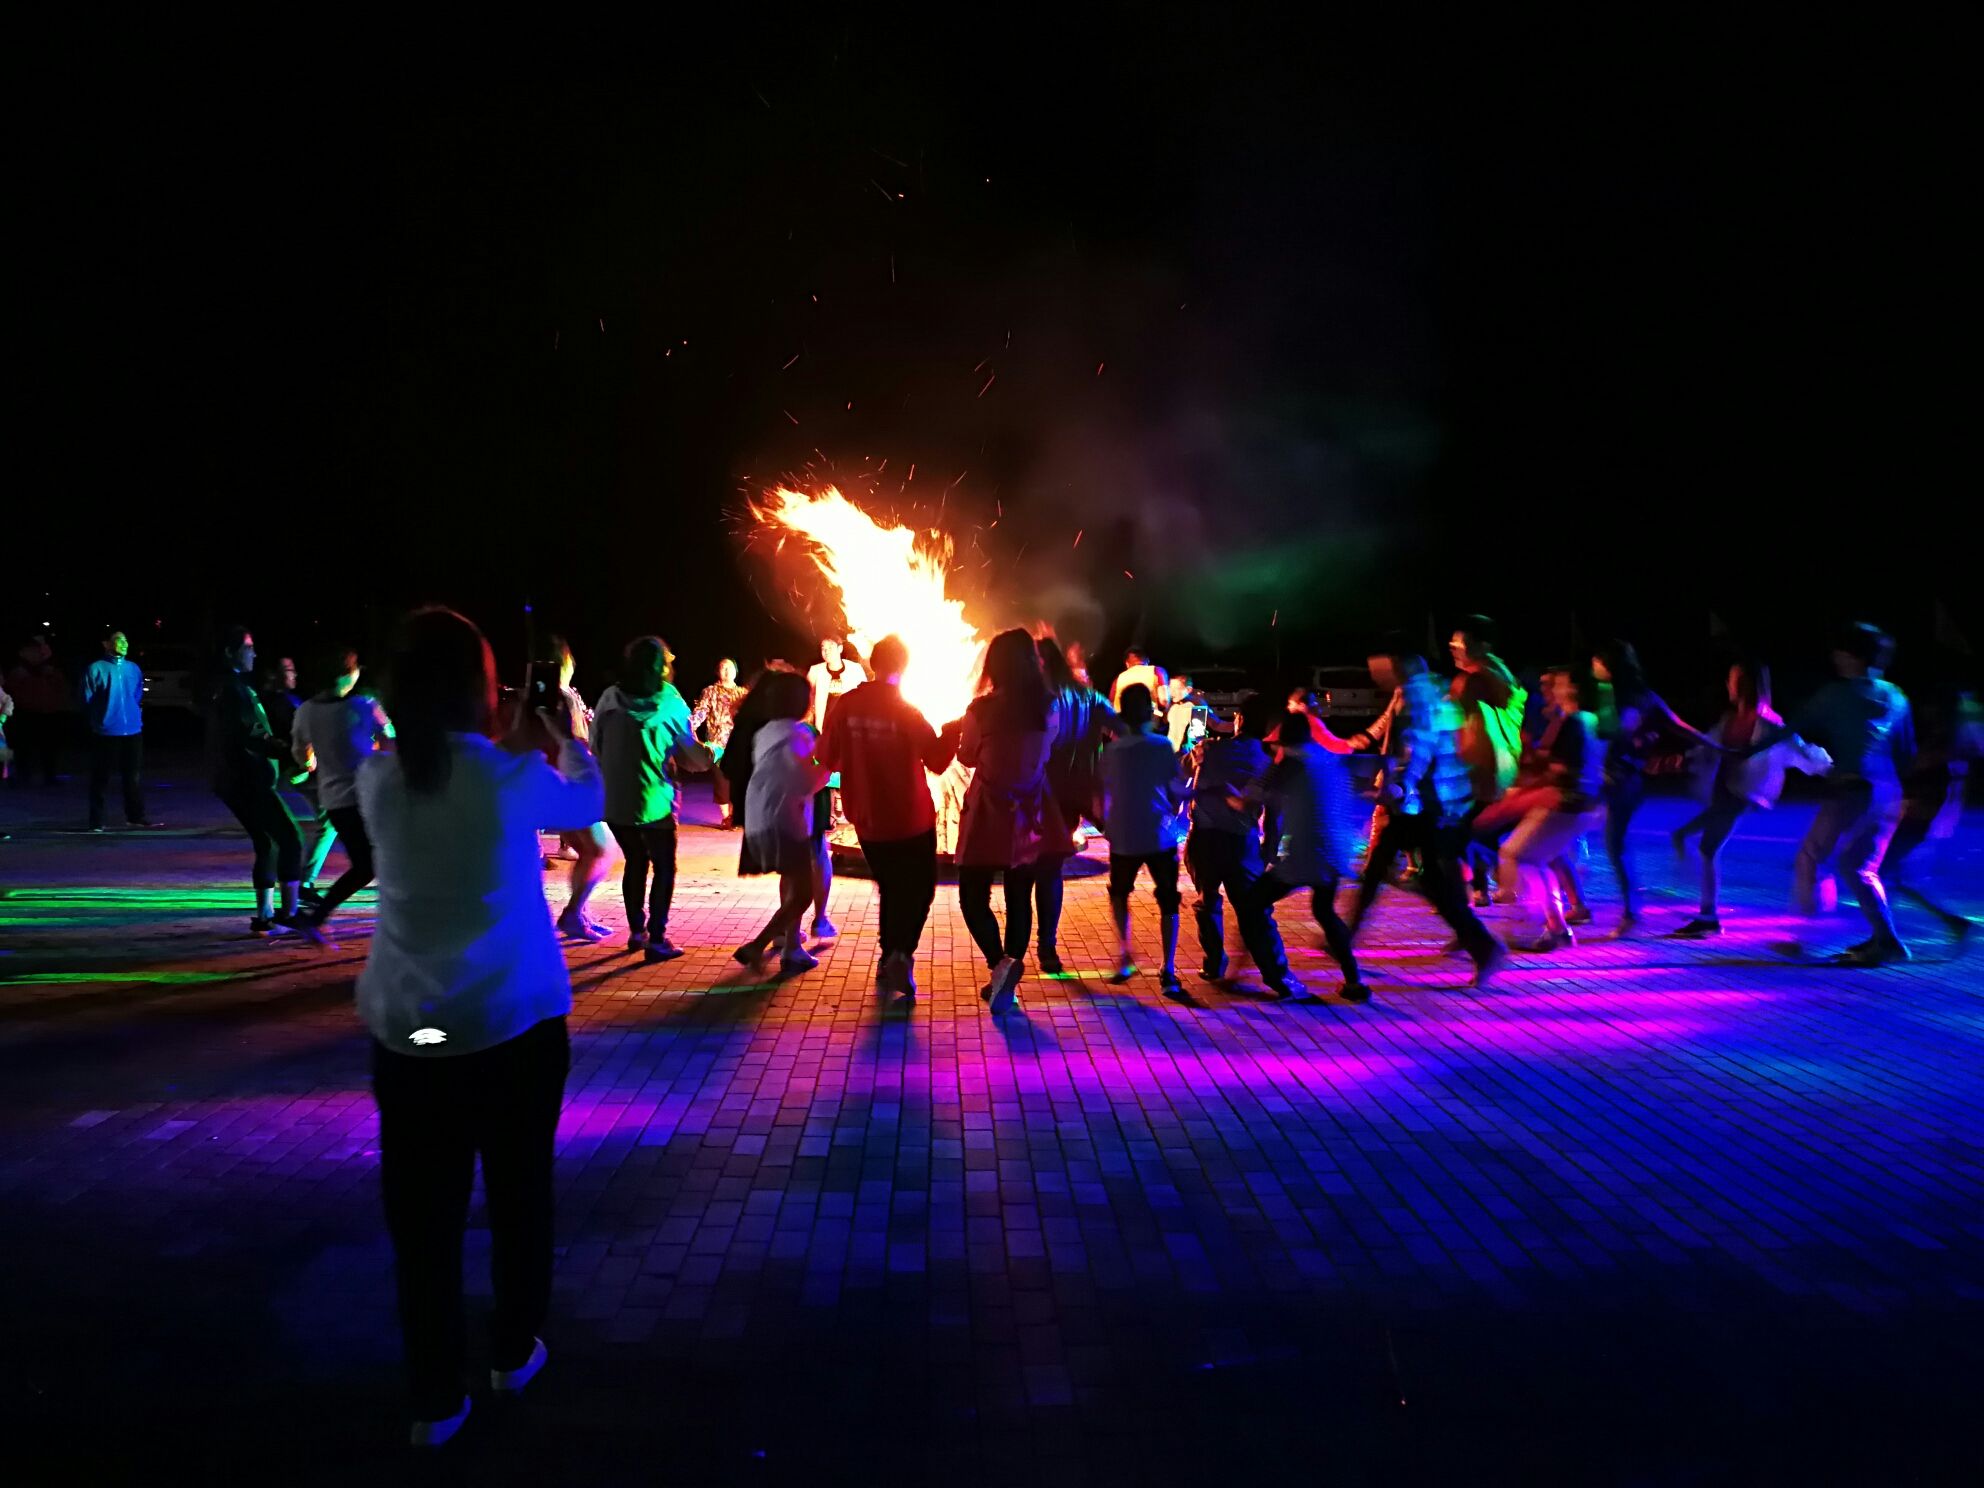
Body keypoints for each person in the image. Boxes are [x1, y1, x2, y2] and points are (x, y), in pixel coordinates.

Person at [357, 606, 600, 1448]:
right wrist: (562, 732)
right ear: (481, 691)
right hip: (510, 1028)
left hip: (413, 1036)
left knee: (422, 1221)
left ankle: (433, 1397)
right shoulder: (506, 776)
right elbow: (591, 798)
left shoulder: (377, 776)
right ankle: (510, 1350)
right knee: (519, 1193)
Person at [1345, 635, 1502, 984]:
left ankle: (1484, 946)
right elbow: (1388, 725)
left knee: (1427, 882)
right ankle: (1345, 936)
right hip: (1426, 801)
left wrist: (1403, 784)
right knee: (1383, 870)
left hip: (1427, 802)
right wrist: (1362, 740)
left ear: (1397, 666)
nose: (1375, 675)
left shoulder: (1417, 692)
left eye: (1379, 668)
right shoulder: (1413, 690)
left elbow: (1421, 743)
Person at [821, 634, 961, 998]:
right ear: (904, 666)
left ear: (872, 662)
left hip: (867, 819)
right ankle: (900, 954)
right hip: (910, 818)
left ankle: (889, 959)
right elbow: (938, 760)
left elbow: (826, 758)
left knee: (892, 888)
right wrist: (952, 730)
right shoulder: (906, 710)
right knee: (919, 890)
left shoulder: (847, 705)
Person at [1669, 660, 1830, 938]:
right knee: (1685, 837)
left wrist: (1831, 769)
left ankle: (1708, 915)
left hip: (1741, 794)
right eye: (1731, 679)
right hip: (1723, 790)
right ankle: (1702, 905)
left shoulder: (1768, 723)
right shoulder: (1729, 719)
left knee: (1707, 846)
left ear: (1750, 685)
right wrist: (1684, 760)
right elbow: (1708, 746)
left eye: (1736, 680)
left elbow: (1800, 750)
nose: (1731, 686)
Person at [1789, 623, 1915, 965]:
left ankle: (1810, 936)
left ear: (1852, 655)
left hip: (1852, 791)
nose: (1835, 657)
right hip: (1888, 792)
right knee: (1856, 866)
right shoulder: (1898, 696)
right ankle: (1883, 938)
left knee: (1818, 859)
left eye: (1841, 651)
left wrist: (1748, 749)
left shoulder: (1836, 694)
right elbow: (1906, 751)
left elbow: (1791, 726)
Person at [956, 628, 1066, 1015]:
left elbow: (967, 756)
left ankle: (998, 965)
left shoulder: (980, 709)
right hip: (1032, 808)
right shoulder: (1049, 705)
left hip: (990, 809)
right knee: (1020, 896)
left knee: (972, 894)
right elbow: (1047, 750)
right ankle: (1006, 972)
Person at [1590, 639, 1718, 933]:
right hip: (1616, 779)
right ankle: (1617, 908)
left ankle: (1630, 912)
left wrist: (1717, 747)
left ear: (1610, 665)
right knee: (1605, 843)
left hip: (1619, 780)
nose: (1593, 666)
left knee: (1614, 845)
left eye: (1597, 660)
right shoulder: (1632, 696)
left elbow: (1675, 727)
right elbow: (1679, 726)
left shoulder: (1629, 699)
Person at [595, 636, 708, 963]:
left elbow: (596, 744)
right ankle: (657, 939)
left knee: (635, 861)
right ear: (662, 668)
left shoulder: (609, 698)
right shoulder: (670, 703)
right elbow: (694, 759)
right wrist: (715, 750)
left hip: (615, 802)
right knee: (663, 868)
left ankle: (636, 933)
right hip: (657, 803)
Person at [1188, 695, 1305, 997]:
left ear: (1239, 719)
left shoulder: (1212, 751)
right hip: (1241, 843)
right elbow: (1275, 812)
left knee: (1207, 900)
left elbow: (1190, 783)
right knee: (1254, 910)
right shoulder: (1267, 762)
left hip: (1205, 837)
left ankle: (1213, 961)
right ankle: (1277, 975)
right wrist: (1269, 848)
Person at [1254, 711, 1370, 1001]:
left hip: (1307, 853)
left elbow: (1259, 793)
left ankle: (1264, 974)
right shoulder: (1325, 757)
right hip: (1332, 850)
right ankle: (1354, 981)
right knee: (1325, 911)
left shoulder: (1294, 763)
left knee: (1252, 902)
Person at [208, 627, 316, 938]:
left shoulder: (234, 686)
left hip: (235, 779)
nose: (254, 654)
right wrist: (293, 754)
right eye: (248, 648)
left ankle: (265, 916)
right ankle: (289, 915)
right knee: (291, 839)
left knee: (267, 842)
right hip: (246, 780)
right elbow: (252, 735)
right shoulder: (234, 689)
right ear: (231, 652)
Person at [1498, 666, 1606, 951]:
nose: (1553, 689)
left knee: (1519, 854)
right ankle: (1559, 921)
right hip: (1582, 803)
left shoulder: (1573, 722)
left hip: (1564, 803)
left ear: (1572, 689)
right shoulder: (1590, 719)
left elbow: (1559, 770)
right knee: (1544, 856)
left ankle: (1554, 926)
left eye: (1558, 683)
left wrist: (1521, 795)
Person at [736, 670, 830, 975]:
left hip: (759, 818)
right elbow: (805, 780)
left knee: (792, 883)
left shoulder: (764, 733)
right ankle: (758, 945)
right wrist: (826, 768)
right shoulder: (799, 734)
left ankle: (788, 945)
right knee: (802, 894)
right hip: (786, 822)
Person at [291, 648, 393, 929]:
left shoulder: (305, 711)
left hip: (336, 801)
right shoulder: (364, 705)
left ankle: (318, 917)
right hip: (372, 797)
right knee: (379, 861)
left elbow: (302, 755)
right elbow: (390, 743)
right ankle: (318, 917)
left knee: (366, 864)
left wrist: (313, 761)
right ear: (347, 674)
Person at [1102, 683, 1191, 996]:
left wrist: (1106, 824)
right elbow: (1176, 789)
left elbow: (1105, 791)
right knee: (1168, 899)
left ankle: (1124, 956)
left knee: (1120, 894)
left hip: (1124, 833)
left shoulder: (1112, 750)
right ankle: (1168, 969)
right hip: (1159, 832)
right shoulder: (1161, 746)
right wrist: (1199, 786)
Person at [1035, 635, 1118, 971]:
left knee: (1030, 872)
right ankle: (1047, 946)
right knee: (1050, 871)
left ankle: (1023, 949)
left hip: (1039, 793)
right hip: (1077, 794)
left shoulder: (1037, 698)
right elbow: (1125, 730)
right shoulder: (1090, 697)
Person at [1882, 682, 1982, 944]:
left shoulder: (1948, 739)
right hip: (1926, 815)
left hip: (1922, 815)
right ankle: (1950, 921)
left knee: (1885, 871)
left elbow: (1920, 766)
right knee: (1894, 873)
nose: (1925, 711)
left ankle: (1885, 936)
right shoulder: (1953, 737)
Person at [1448, 616, 1525, 907]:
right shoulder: (1500, 671)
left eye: (1459, 643)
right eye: (1452, 642)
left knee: (1465, 831)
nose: (1453, 647)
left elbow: (1455, 720)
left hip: (1481, 766)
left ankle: (1484, 886)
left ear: (1480, 645)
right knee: (1479, 829)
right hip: (1501, 765)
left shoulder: (1475, 678)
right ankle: (1482, 887)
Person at [543, 638, 613, 942]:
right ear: (565, 662)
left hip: (562, 781)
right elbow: (572, 739)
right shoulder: (561, 696)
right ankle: (573, 913)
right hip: (573, 781)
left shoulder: (551, 696)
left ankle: (578, 912)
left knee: (591, 850)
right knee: (600, 850)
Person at [805, 637, 865, 938]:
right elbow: (809, 701)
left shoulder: (854, 672)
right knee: (825, 777)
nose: (825, 651)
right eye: (822, 648)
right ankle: (832, 813)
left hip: (849, 731)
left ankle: (847, 812)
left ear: (840, 649)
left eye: (830, 647)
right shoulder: (816, 672)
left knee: (847, 773)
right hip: (823, 731)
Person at [81, 629, 158, 830]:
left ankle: (135, 816)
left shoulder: (133, 668)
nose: (124, 644)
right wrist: (101, 717)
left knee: (132, 776)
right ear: (107, 644)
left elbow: (137, 694)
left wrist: (132, 715)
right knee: (101, 778)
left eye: (125, 640)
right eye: (118, 640)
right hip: (106, 731)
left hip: (132, 730)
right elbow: (87, 698)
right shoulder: (96, 668)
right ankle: (96, 820)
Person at [690, 658, 748, 827]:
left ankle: (736, 815)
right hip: (716, 743)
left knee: (738, 779)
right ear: (718, 671)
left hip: (738, 742)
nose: (727, 671)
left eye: (730, 668)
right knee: (721, 780)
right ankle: (726, 817)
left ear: (736, 671)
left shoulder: (743, 693)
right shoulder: (710, 691)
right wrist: (687, 727)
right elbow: (701, 712)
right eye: (723, 668)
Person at [6, 635, 69, 786]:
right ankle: (22, 774)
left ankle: (49, 774)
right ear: (23, 652)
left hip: (47, 712)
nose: (37, 653)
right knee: (22, 746)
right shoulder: (18, 671)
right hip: (25, 712)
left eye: (39, 650)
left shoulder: (50, 670)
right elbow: (11, 690)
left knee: (49, 746)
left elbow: (61, 688)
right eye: (32, 650)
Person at [1109, 646, 1167, 712]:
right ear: (1147, 660)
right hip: (1148, 719)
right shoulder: (1157, 671)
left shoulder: (1118, 679)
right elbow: (1164, 701)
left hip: (1122, 720)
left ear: (1127, 664)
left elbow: (1110, 705)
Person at [1164, 674, 1207, 755]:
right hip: (1170, 754)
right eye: (1170, 688)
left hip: (1185, 756)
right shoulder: (1173, 707)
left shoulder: (1196, 708)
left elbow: (1197, 737)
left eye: (1176, 688)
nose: (1172, 692)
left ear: (1188, 690)